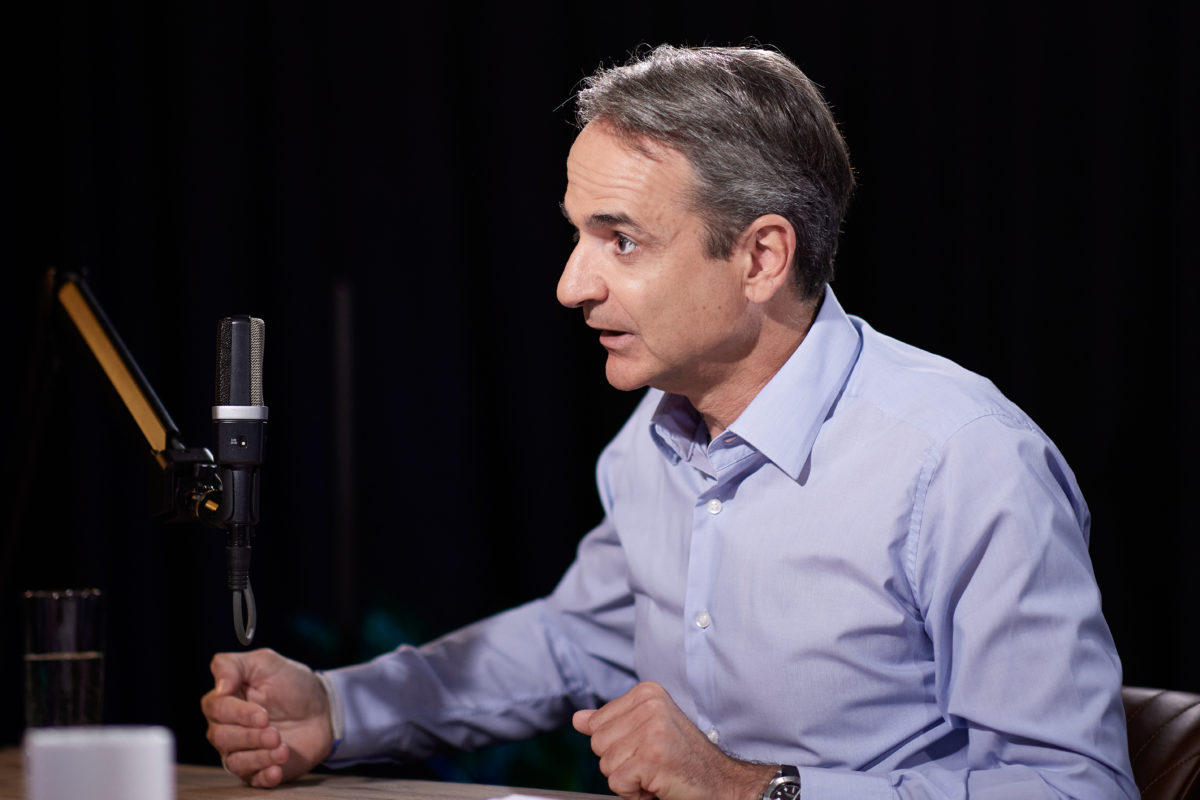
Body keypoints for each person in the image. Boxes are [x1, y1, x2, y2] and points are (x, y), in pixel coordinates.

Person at [201, 44, 1138, 799]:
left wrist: (755, 790)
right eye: (577, 234)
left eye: (622, 240)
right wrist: (338, 707)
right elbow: (578, 640)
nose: (571, 285)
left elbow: (1075, 786)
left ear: (761, 257)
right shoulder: (658, 430)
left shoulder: (962, 461)